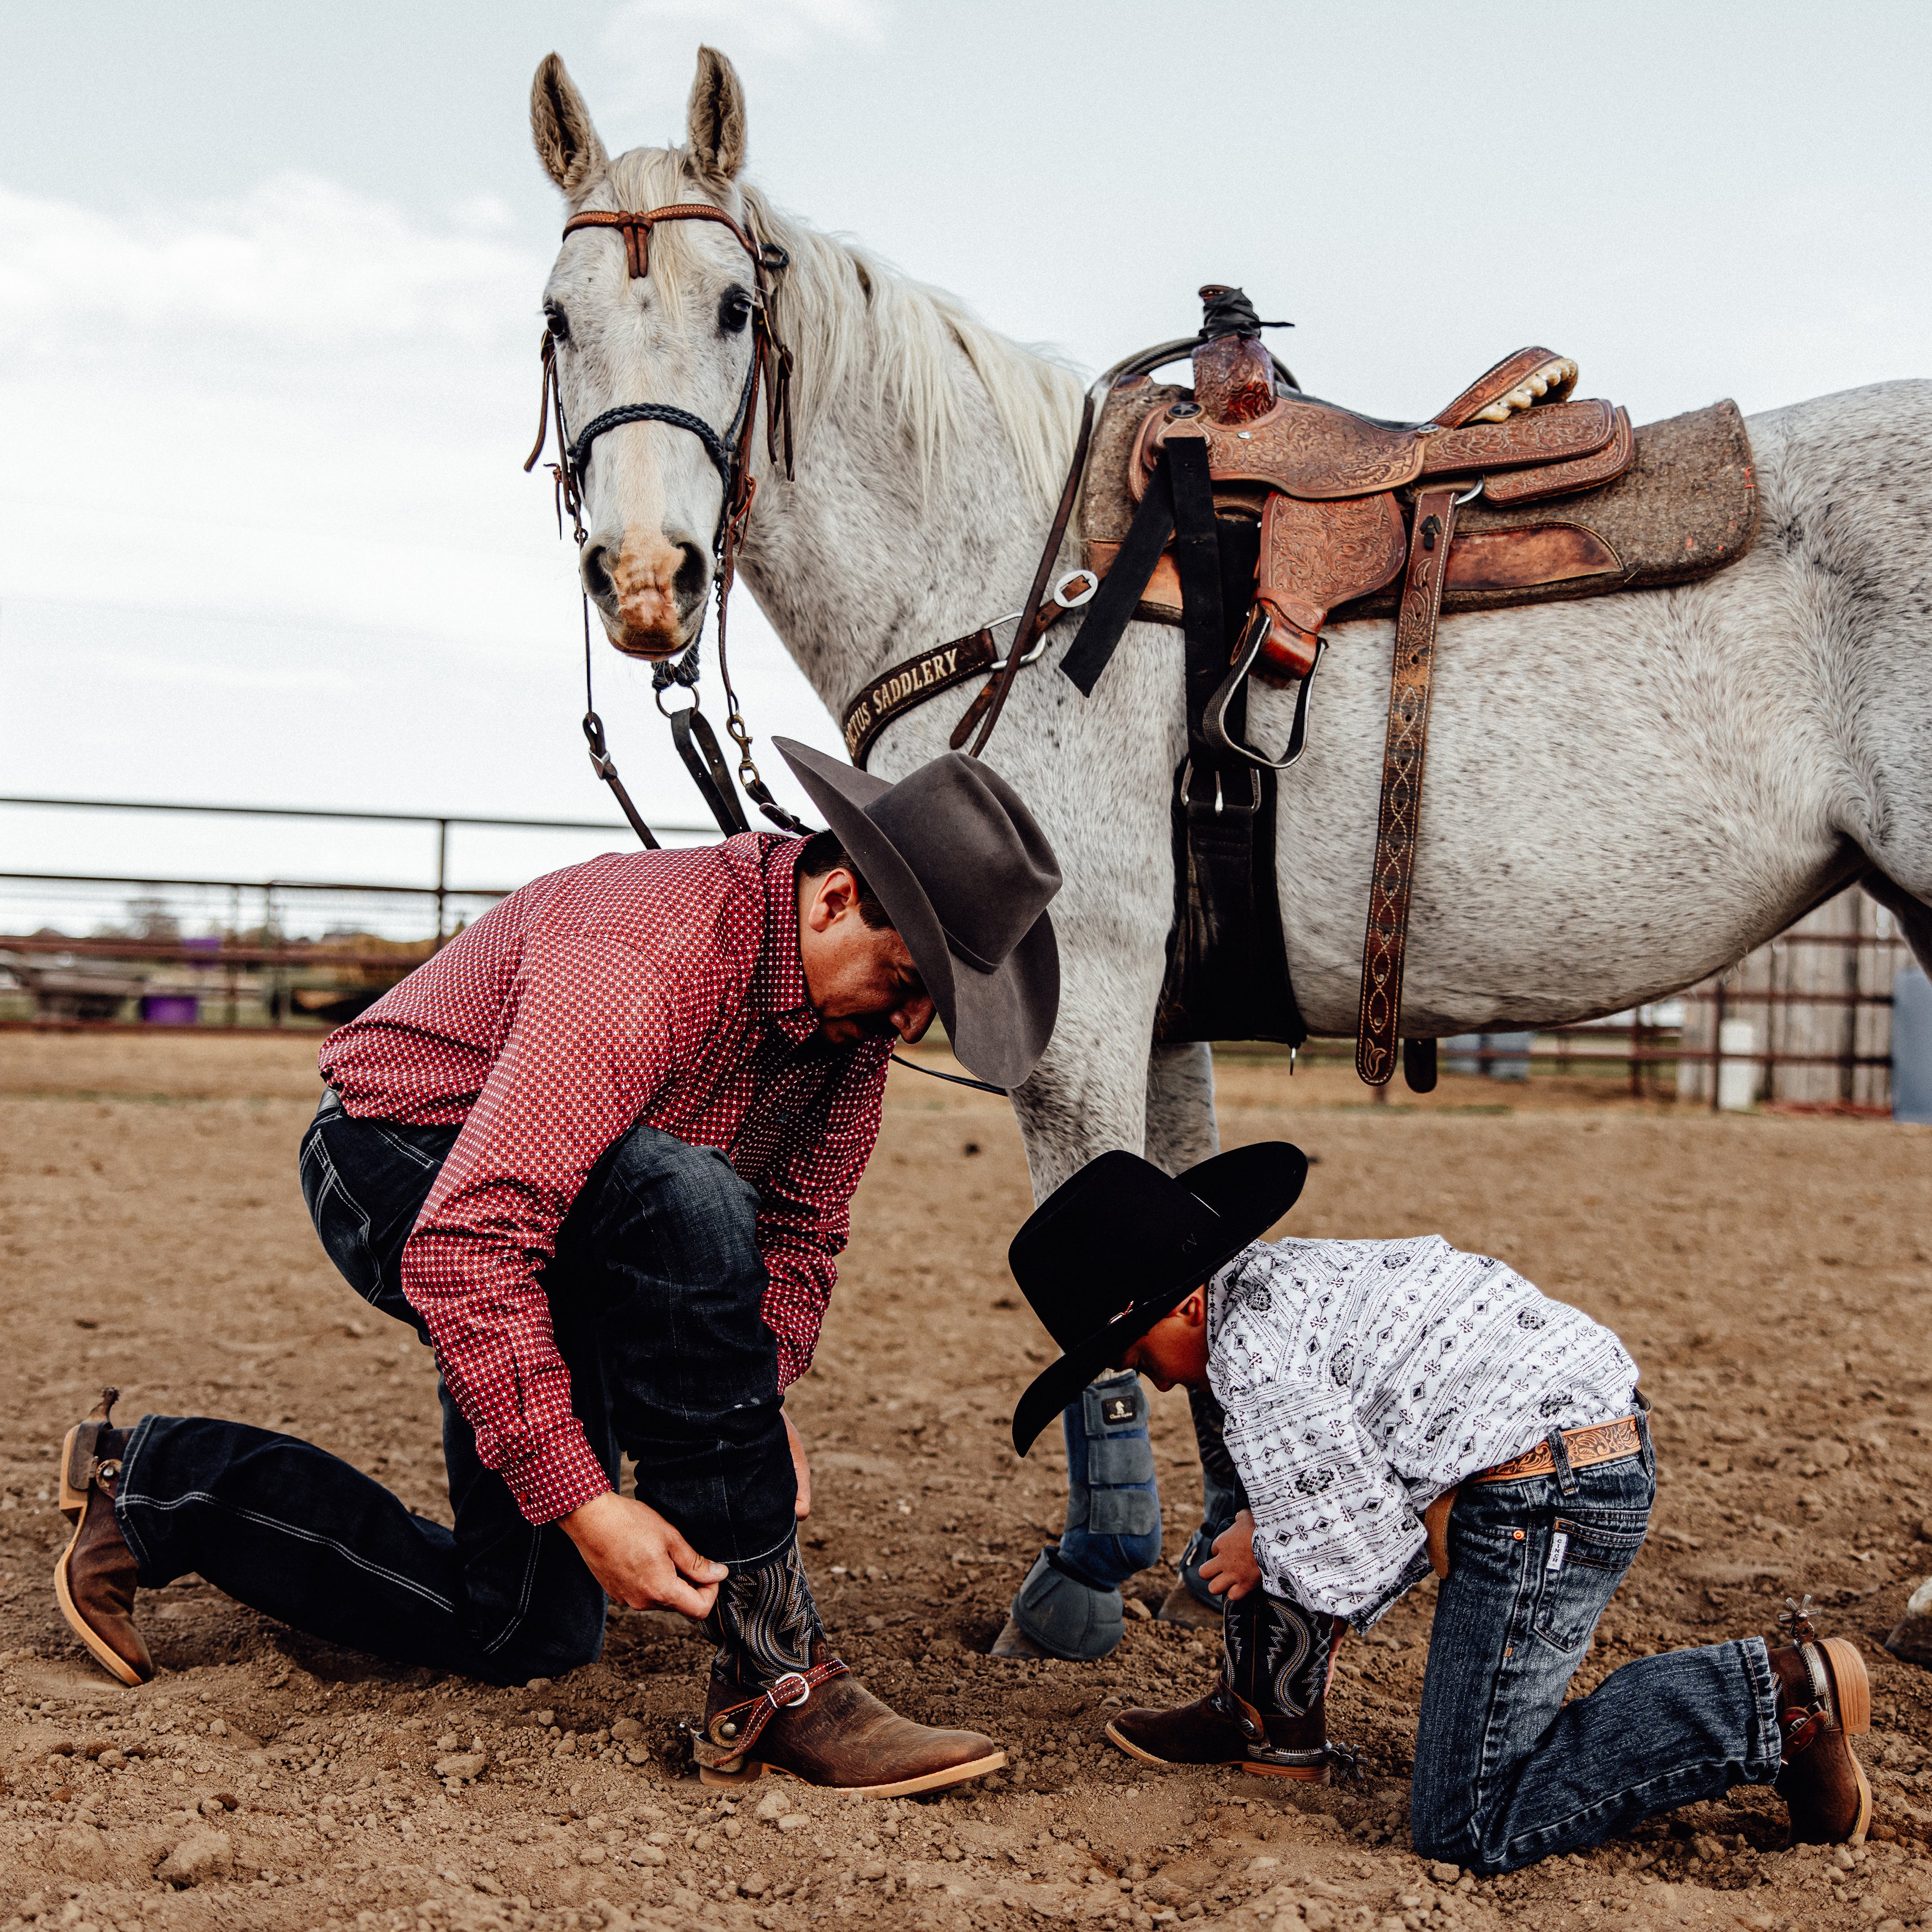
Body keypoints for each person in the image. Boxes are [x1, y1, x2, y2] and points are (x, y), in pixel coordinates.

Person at [51, 741, 1061, 1799]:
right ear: (838, 899)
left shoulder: (844, 1030)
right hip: (403, 1158)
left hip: (579, 1203)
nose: (907, 1027)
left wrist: (744, 1395)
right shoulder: (646, 953)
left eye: (930, 1010)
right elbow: (471, 1244)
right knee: (685, 1190)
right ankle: (778, 1677)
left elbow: (803, 1237)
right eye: (908, 982)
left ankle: (161, 1488)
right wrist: (586, 1503)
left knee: (525, 1627)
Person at [1002, 1144, 1873, 1871]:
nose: (1139, 1372)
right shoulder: (1286, 1280)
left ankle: (1771, 1702)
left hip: (1542, 1498)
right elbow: (1355, 1461)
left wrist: (1268, 1545)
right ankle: (1267, 1718)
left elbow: (1354, 1551)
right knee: (1269, 1501)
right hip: (1581, 1446)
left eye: (1128, 1345)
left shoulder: (1253, 1364)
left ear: (1184, 1301)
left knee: (1468, 1826)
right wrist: (1279, 1521)